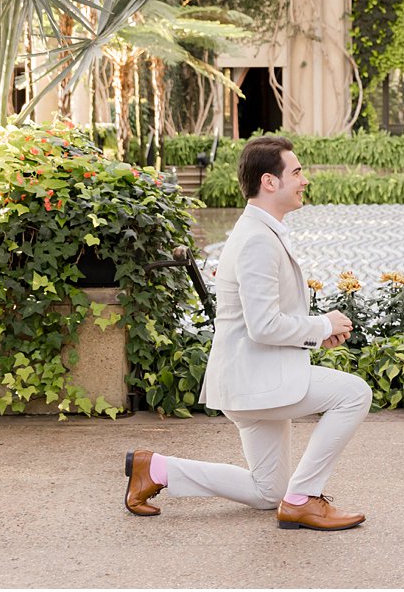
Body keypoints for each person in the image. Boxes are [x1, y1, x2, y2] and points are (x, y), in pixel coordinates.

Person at [123, 135, 371, 531]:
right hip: (257, 381)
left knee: (267, 491)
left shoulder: (258, 231)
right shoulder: (257, 238)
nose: (304, 180)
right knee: (354, 393)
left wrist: (313, 335)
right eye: (297, 171)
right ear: (270, 182)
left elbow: (262, 320)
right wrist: (322, 324)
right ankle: (305, 498)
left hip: (249, 379)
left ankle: (157, 469)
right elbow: (264, 325)